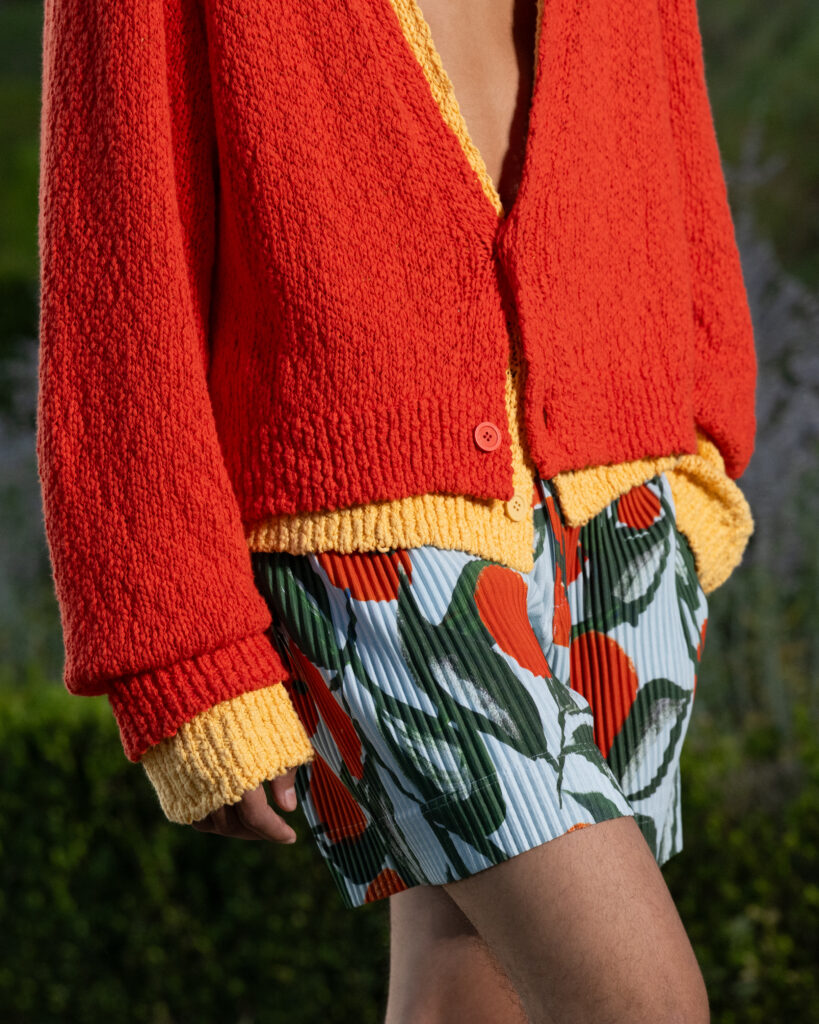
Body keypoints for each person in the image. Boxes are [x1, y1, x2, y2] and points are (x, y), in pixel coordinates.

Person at [36, 0, 757, 1020]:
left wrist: (701, 416)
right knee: (644, 1002)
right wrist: (178, 653)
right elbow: (115, 265)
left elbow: (662, 77)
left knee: (468, 983)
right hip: (371, 536)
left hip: (615, 494)